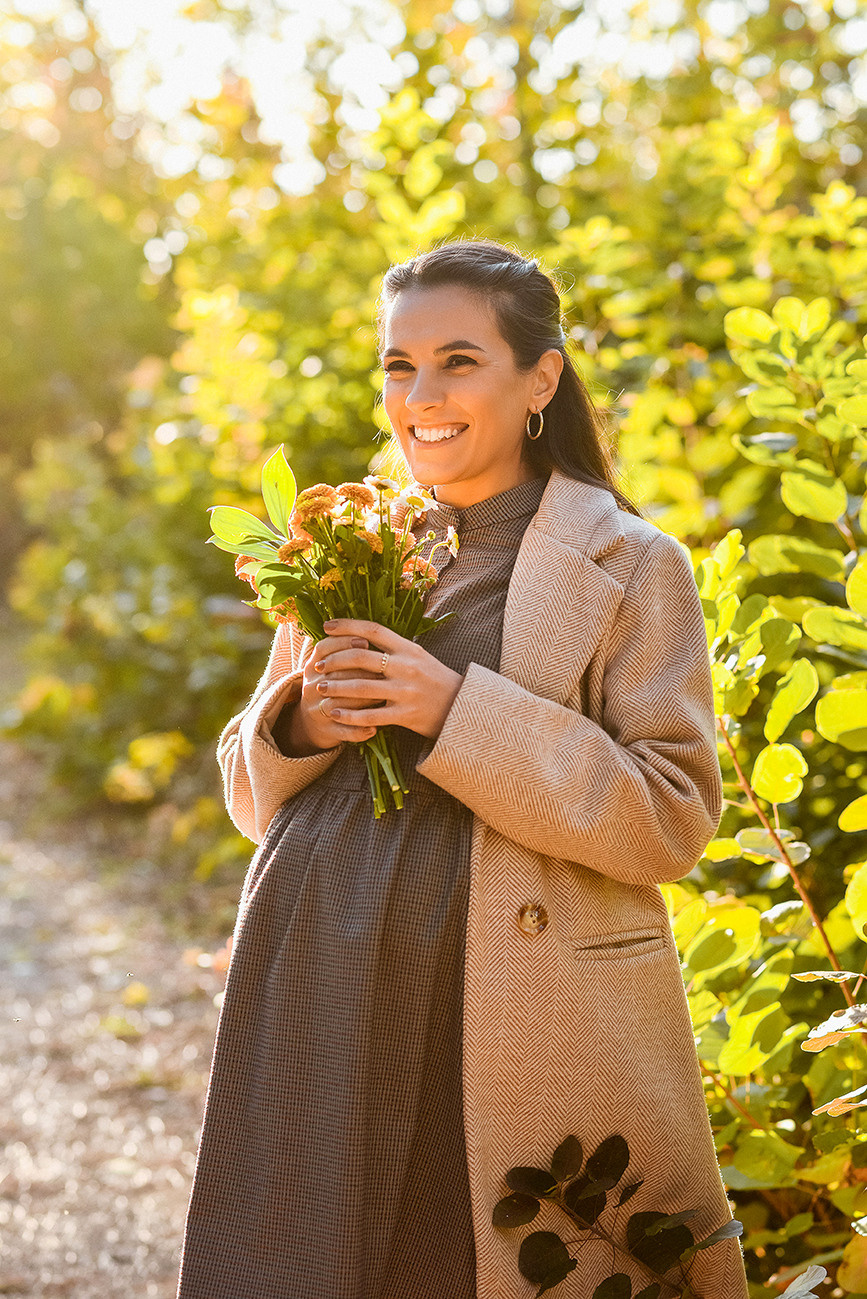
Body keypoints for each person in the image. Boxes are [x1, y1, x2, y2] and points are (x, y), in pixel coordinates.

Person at [176, 239, 749, 1299]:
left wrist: (456, 713)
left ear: (541, 378)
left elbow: (671, 818)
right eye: (399, 366)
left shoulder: (631, 564)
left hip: (494, 1003)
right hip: (312, 976)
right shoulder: (354, 541)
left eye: (457, 361)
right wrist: (296, 721)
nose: (419, 397)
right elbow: (251, 796)